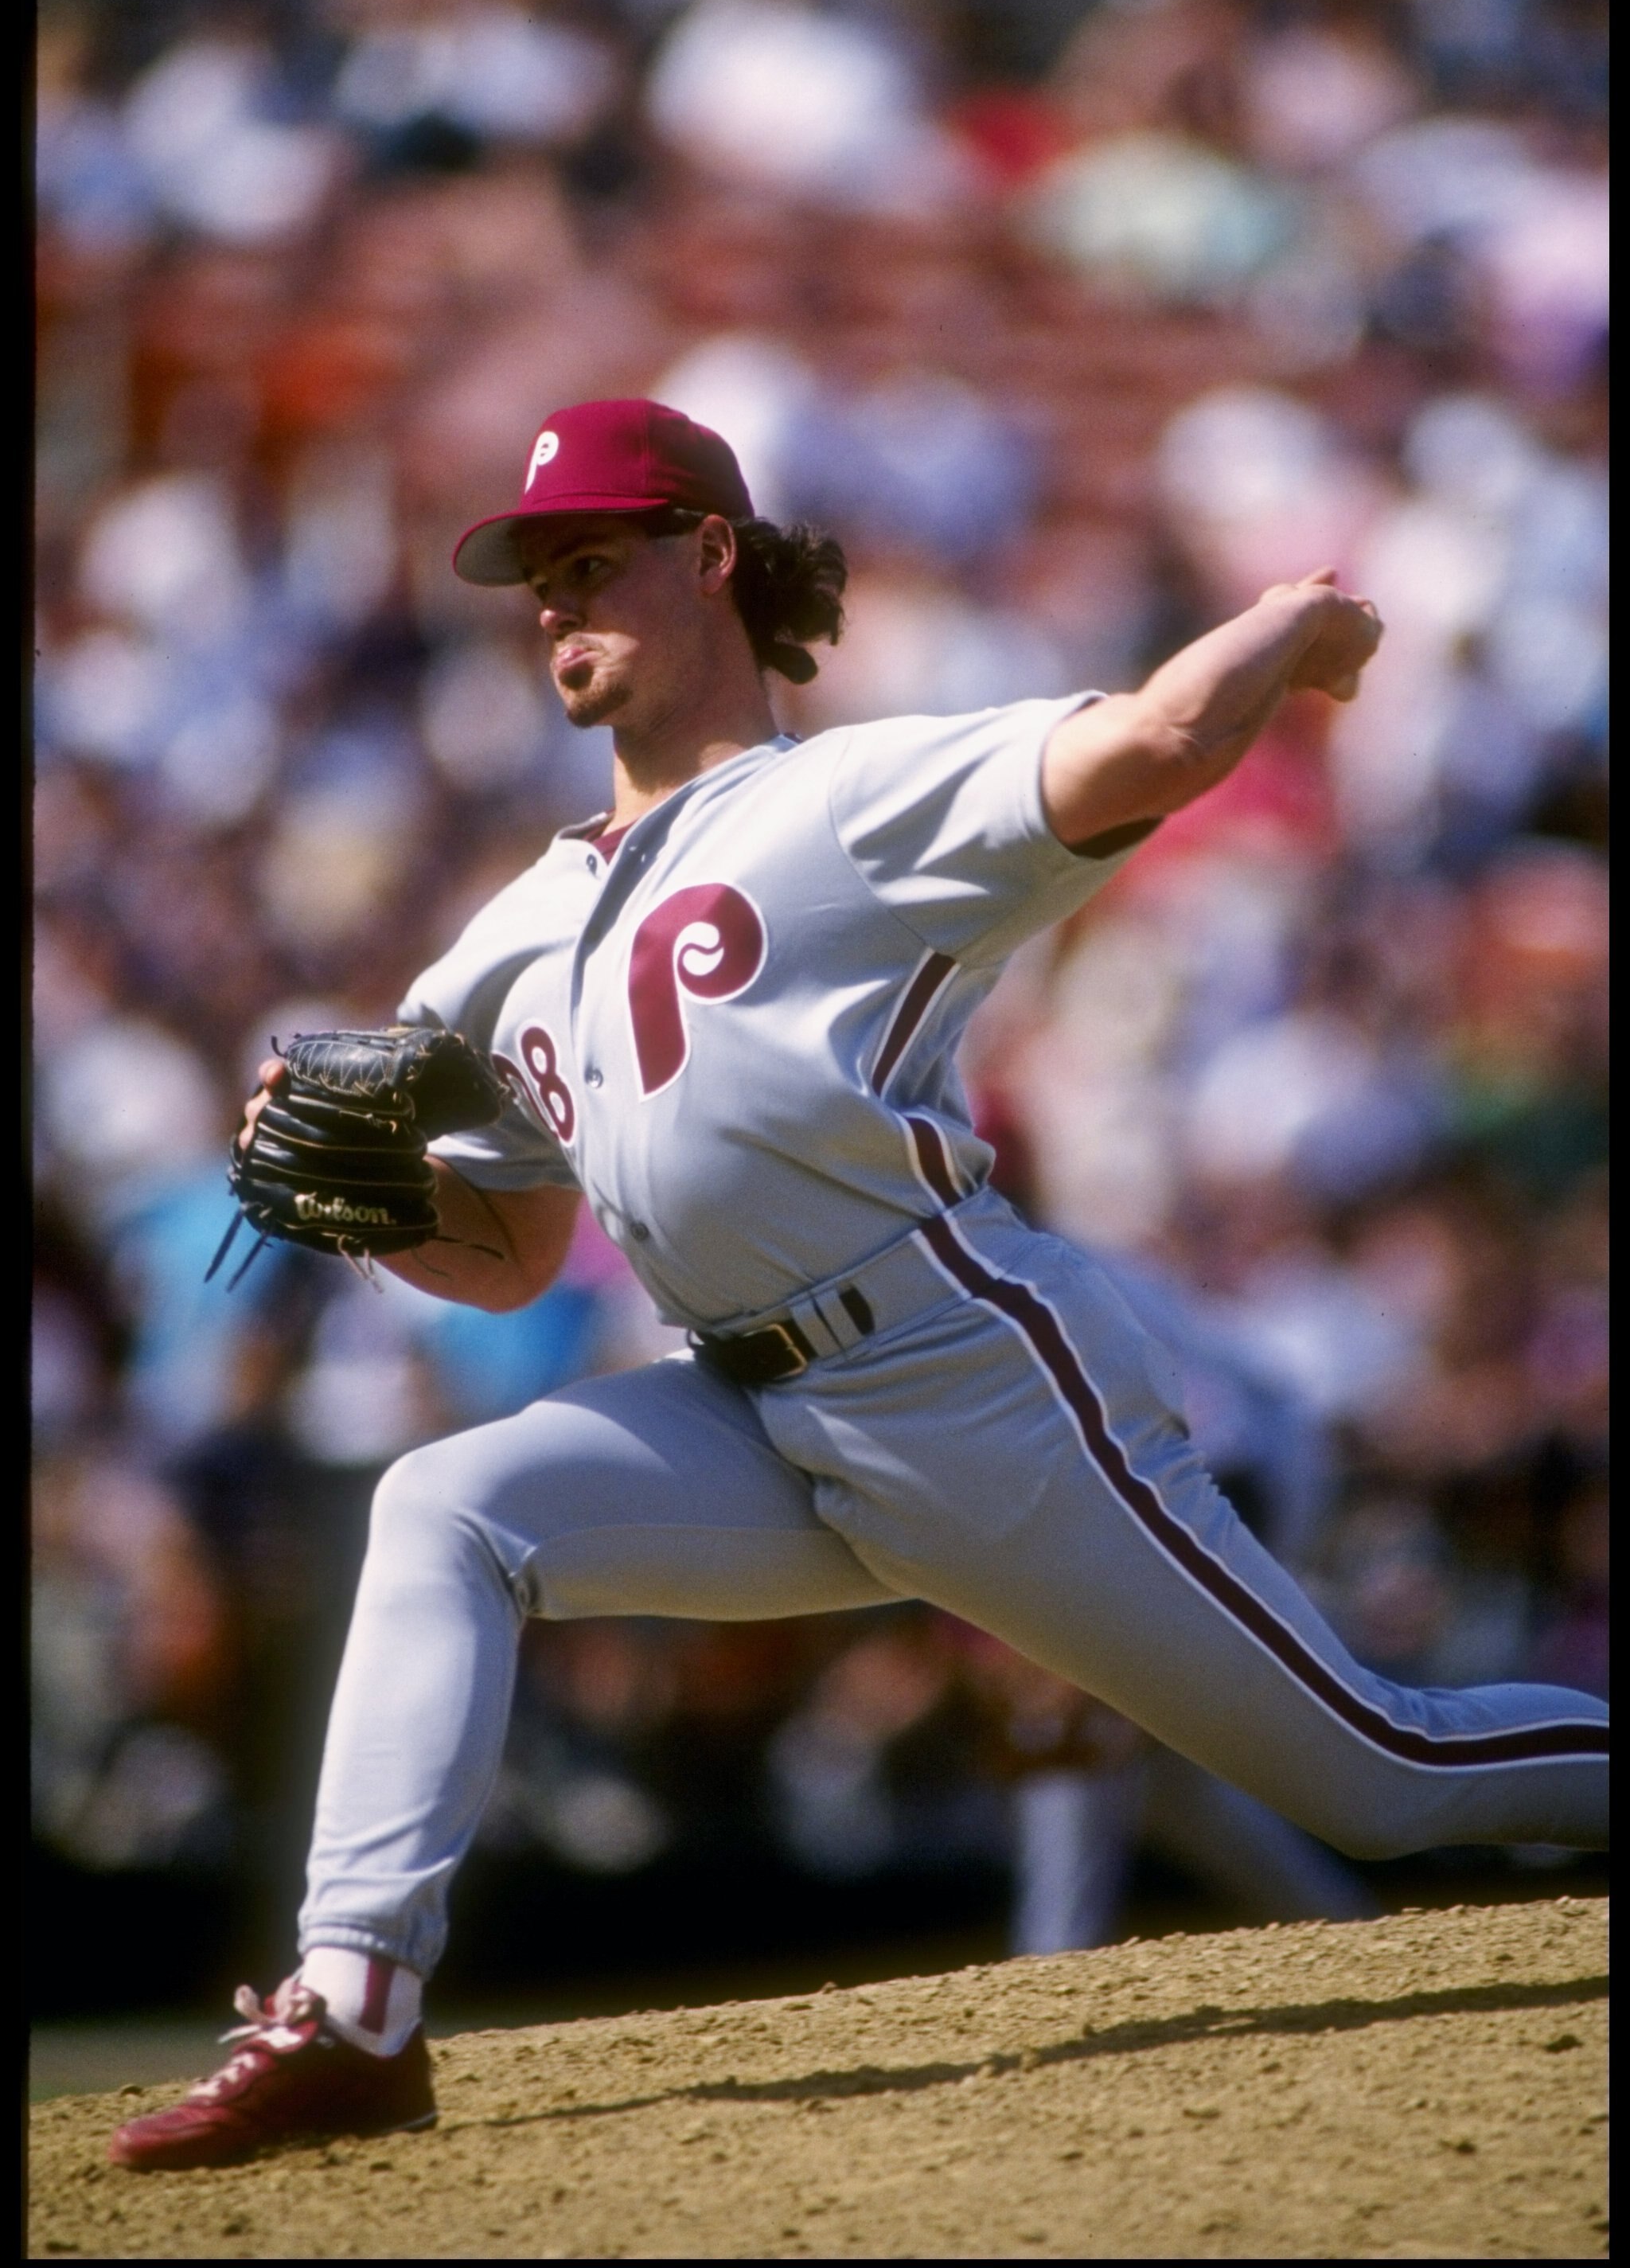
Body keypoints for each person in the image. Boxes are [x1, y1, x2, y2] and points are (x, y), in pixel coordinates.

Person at [111, 398, 1608, 2170]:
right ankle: (353, 2007)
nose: (553, 603)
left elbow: (1140, 746)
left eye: (594, 560)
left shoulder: (841, 800)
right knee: (448, 1504)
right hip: (751, 1408)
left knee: (1383, 1777)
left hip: (967, 1378)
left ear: (714, 557)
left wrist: (1284, 624)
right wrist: (374, 1210)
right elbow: (508, 1259)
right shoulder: (501, 939)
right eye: (536, 575)